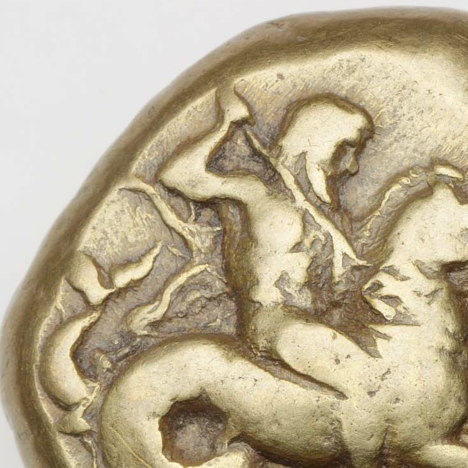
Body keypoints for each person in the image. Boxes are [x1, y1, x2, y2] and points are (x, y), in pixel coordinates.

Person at [157, 86, 373, 390]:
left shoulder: (318, 215)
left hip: (308, 323)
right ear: (317, 141)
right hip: (274, 323)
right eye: (344, 150)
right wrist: (225, 125)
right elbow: (176, 176)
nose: (352, 167)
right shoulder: (255, 191)